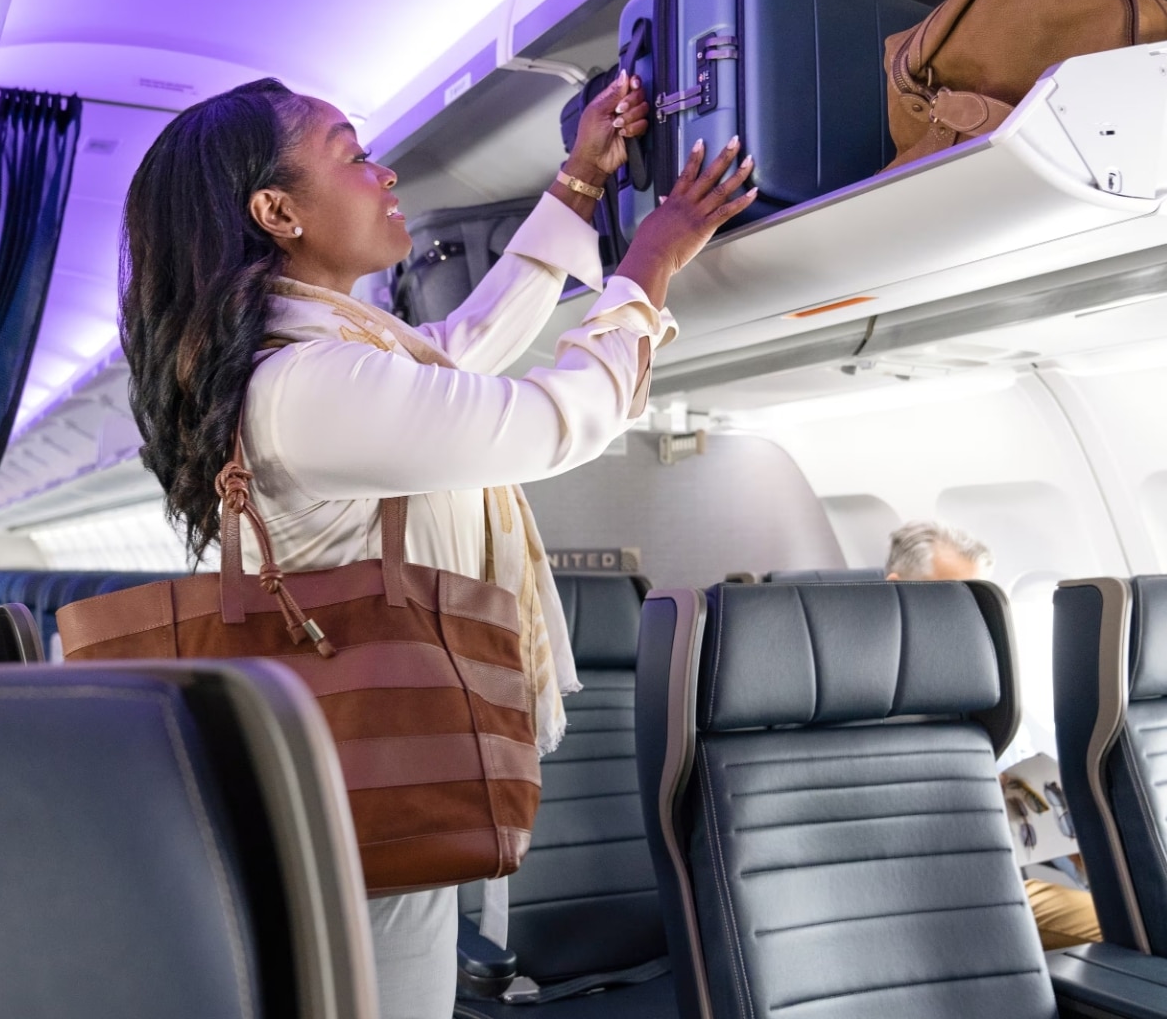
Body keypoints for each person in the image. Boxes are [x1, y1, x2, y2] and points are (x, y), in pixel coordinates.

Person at [118, 74, 755, 1017]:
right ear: (275, 210)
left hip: (356, 767)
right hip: (370, 778)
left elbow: (457, 352)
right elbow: (549, 423)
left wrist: (579, 183)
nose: (385, 170)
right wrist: (648, 268)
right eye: (351, 152)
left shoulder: (321, 357)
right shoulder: (308, 384)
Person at [883, 520, 1104, 951]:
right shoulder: (868, 685)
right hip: (938, 887)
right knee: (1113, 928)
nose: (974, 620)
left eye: (982, 601)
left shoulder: (984, 681)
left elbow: (1024, 788)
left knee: (1143, 912)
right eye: (957, 598)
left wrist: (1075, 844)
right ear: (899, 589)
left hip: (1001, 871)